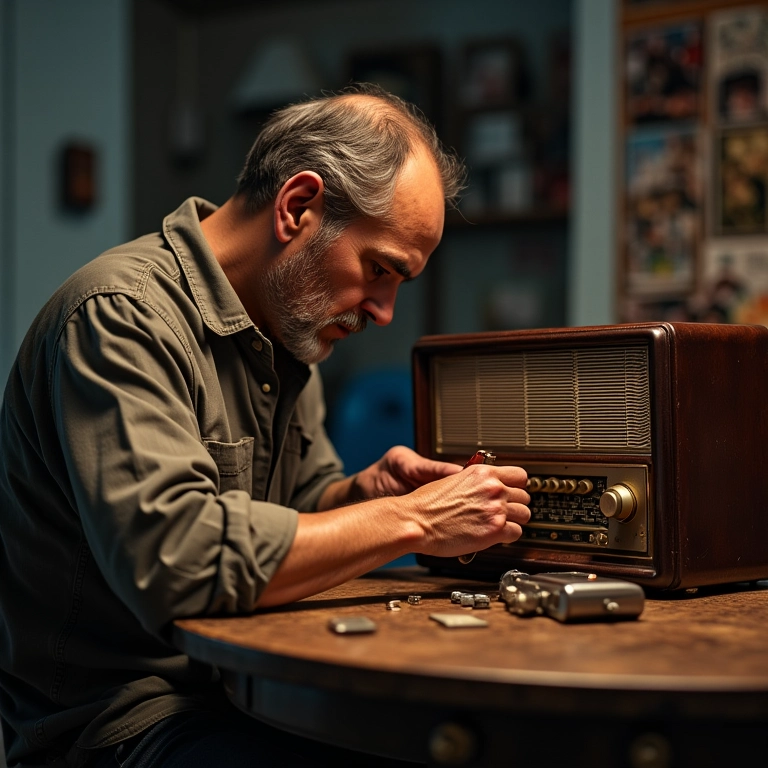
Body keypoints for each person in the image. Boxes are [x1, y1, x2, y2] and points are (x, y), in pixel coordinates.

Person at [0, 84, 530, 767]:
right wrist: (417, 521)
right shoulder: (118, 316)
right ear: (297, 207)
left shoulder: (286, 329)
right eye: (379, 270)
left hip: (244, 688)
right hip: (122, 727)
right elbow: (181, 563)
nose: (385, 311)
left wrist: (364, 495)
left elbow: (299, 508)